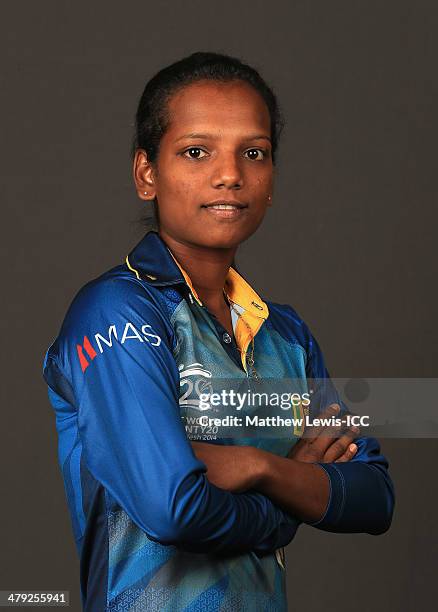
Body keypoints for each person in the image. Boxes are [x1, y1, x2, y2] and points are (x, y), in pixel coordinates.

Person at [42, 51, 395, 612]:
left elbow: (374, 497)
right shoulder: (116, 313)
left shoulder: (287, 334)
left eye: (253, 152)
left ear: (272, 178)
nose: (230, 173)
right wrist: (290, 498)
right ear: (146, 173)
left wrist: (258, 467)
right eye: (196, 151)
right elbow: (172, 508)